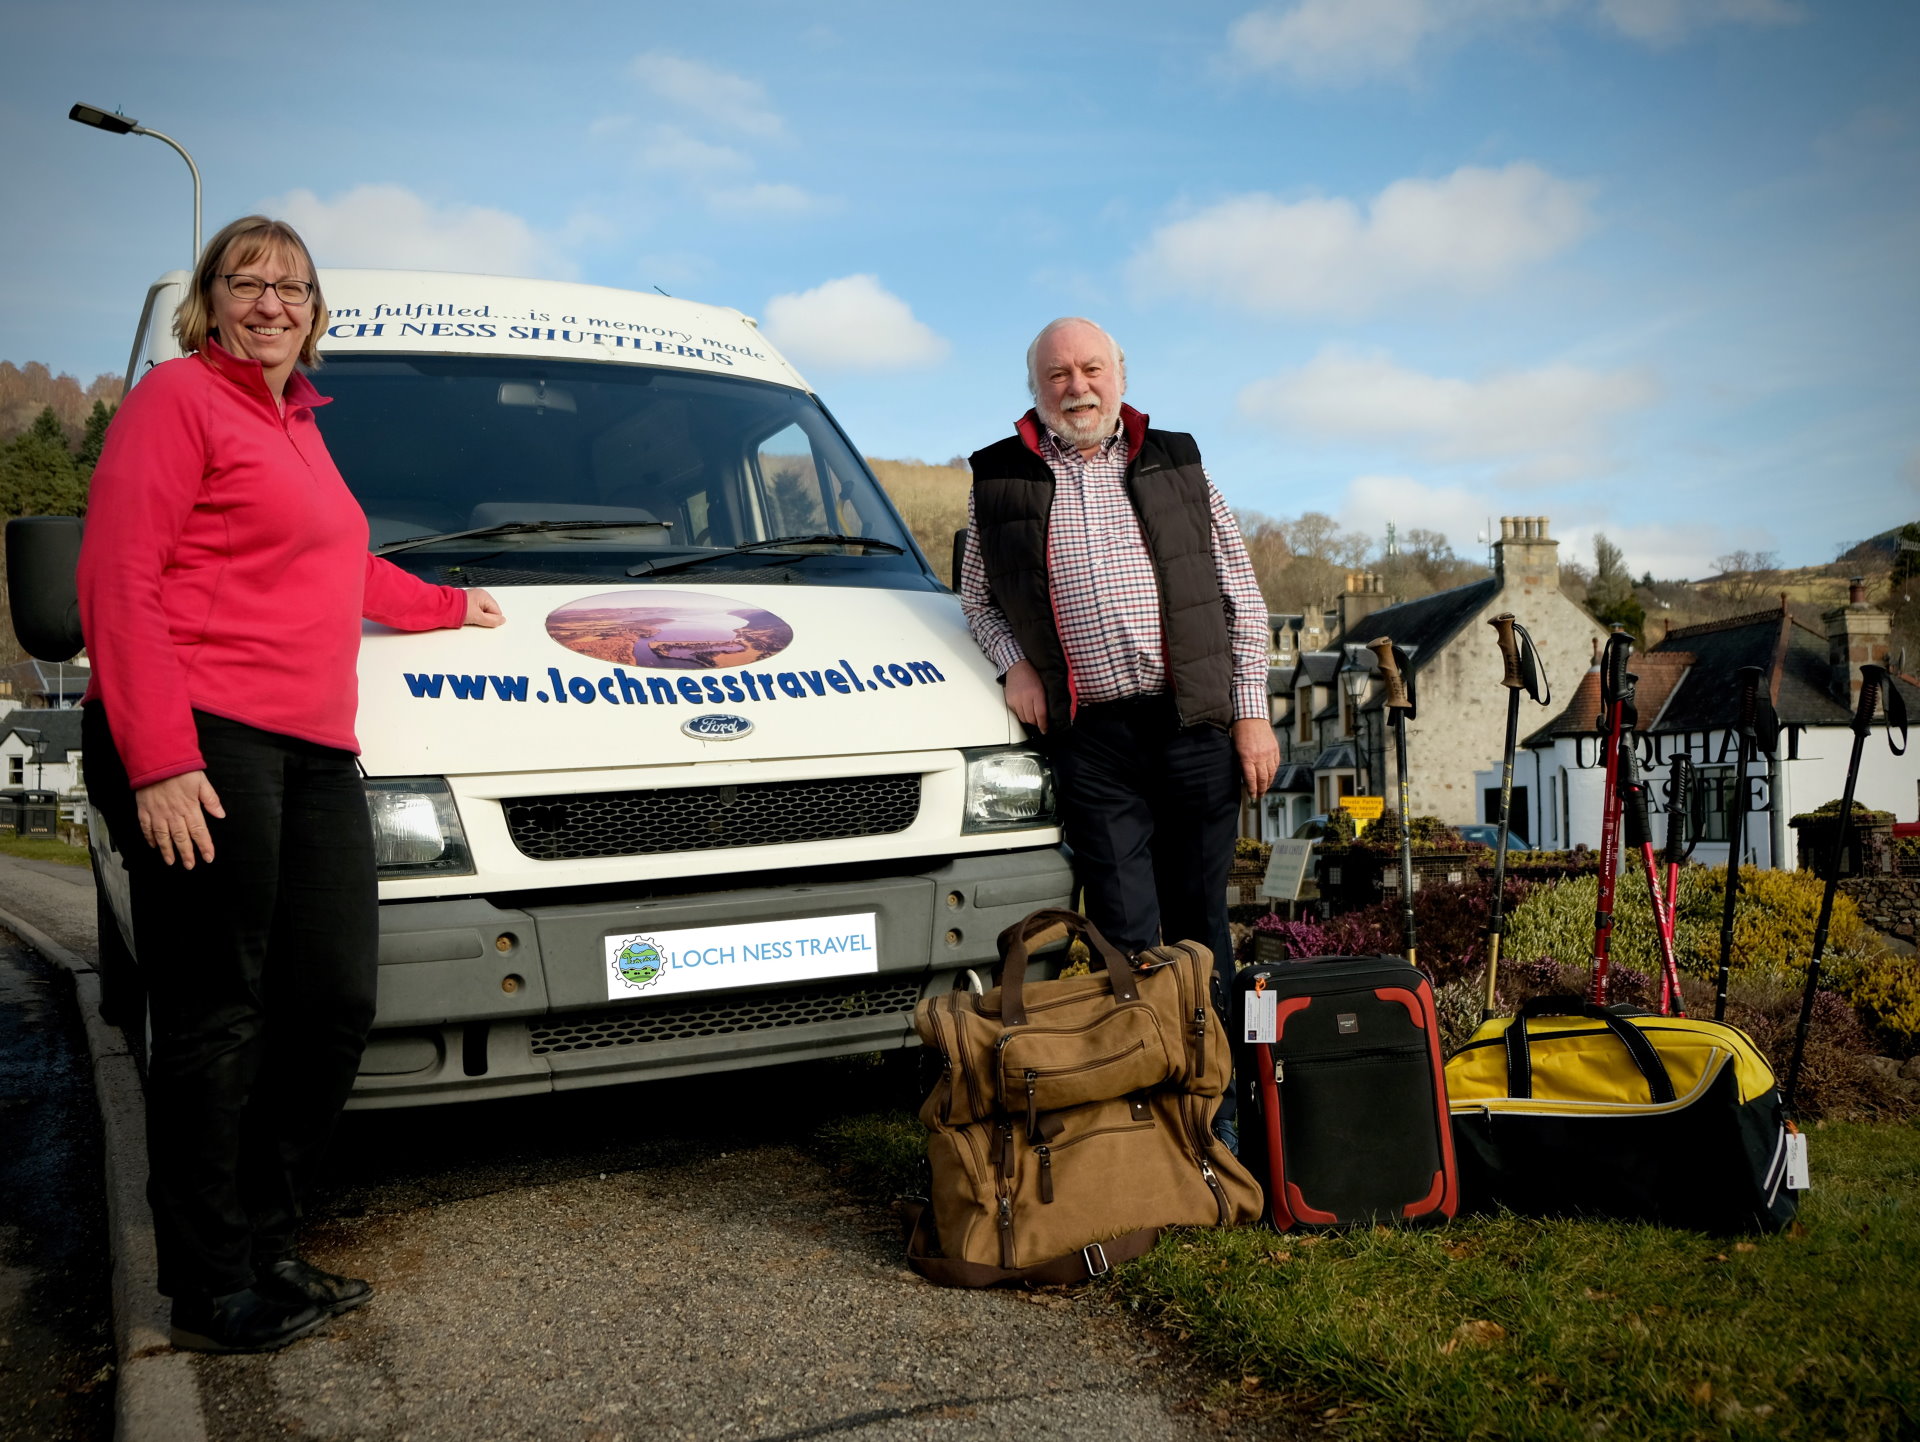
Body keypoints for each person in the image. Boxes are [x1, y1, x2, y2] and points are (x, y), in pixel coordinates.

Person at [78, 216, 506, 1353]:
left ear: (318, 312)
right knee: (221, 1012)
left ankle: (269, 1239)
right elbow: (117, 575)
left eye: (293, 285)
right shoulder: (178, 400)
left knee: (330, 1004)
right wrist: (159, 758)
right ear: (211, 300)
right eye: (247, 280)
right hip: (205, 738)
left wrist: (450, 603)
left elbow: (342, 558)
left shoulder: (299, 423)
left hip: (314, 745)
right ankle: (211, 1282)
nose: (271, 300)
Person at [959, 317, 1278, 1145]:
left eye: (1090, 368)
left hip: (1192, 723)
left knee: (1202, 929)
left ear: (1121, 375)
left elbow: (1241, 597)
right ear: (1036, 389)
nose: (1077, 387)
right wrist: (1013, 666)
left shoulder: (1176, 460)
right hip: (1093, 740)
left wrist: (1251, 712)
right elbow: (980, 602)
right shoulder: (998, 479)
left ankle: (1227, 1127)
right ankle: (1152, 1134)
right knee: (1126, 938)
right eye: (1058, 375)